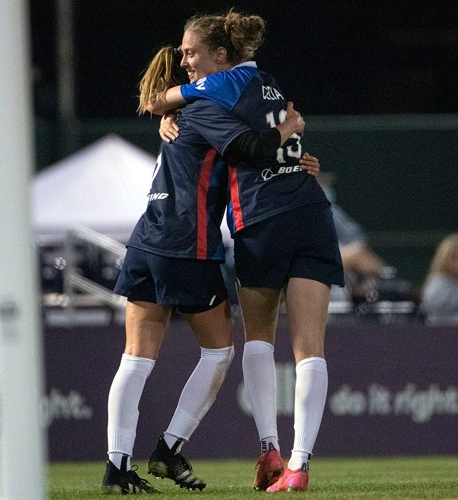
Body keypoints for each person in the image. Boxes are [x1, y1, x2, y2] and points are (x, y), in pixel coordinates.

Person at [143, 9, 345, 493]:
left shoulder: (222, 85)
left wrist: (169, 114)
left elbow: (155, 99)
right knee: (310, 348)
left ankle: (269, 450)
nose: (184, 61)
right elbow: (285, 136)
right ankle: (299, 466)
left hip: (261, 218)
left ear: (220, 53)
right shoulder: (271, 84)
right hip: (312, 211)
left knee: (259, 338)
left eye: (191, 53)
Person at [103, 45, 319, 494]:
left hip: (145, 240)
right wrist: (289, 133)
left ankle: (117, 466)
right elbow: (250, 147)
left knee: (135, 358)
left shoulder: (182, 115)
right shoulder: (207, 110)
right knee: (218, 353)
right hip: (187, 246)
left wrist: (295, 161)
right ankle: (166, 448)